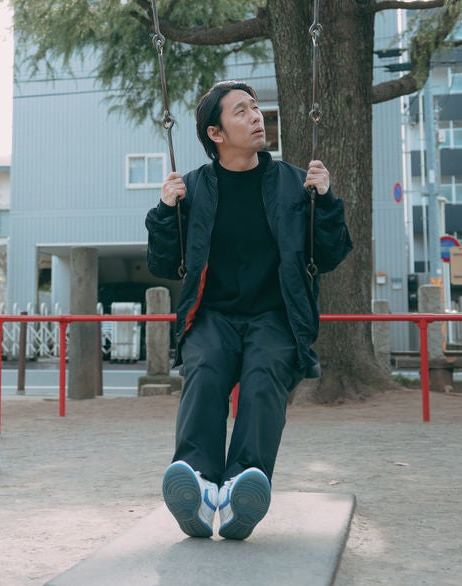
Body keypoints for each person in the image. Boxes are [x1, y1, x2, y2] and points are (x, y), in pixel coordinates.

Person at [145, 80, 352, 541]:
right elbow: (164, 263)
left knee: (263, 378)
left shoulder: (293, 184)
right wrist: (164, 210)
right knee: (205, 370)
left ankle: (242, 486)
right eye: (241, 111)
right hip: (213, 314)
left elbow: (331, 255)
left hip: (275, 317)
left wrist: (327, 201)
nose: (257, 116)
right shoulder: (194, 189)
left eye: (256, 108)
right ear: (216, 134)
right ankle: (196, 486)